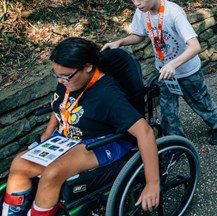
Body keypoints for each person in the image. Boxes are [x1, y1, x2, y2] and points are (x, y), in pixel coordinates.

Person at [2, 38, 160, 216]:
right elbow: (60, 106)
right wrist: (48, 132)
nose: (60, 81)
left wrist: (152, 184)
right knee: (19, 164)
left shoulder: (108, 95)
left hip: (102, 141)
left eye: (65, 75)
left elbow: (145, 132)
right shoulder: (70, 81)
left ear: (88, 67)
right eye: (57, 75)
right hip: (68, 137)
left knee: (52, 173)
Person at [102, 0, 217, 145]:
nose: (136, 4)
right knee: (167, 111)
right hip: (164, 72)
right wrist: (120, 42)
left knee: (199, 102)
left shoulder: (173, 13)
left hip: (187, 71)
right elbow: (139, 35)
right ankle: (175, 143)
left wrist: (173, 64)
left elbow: (195, 46)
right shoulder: (142, 12)